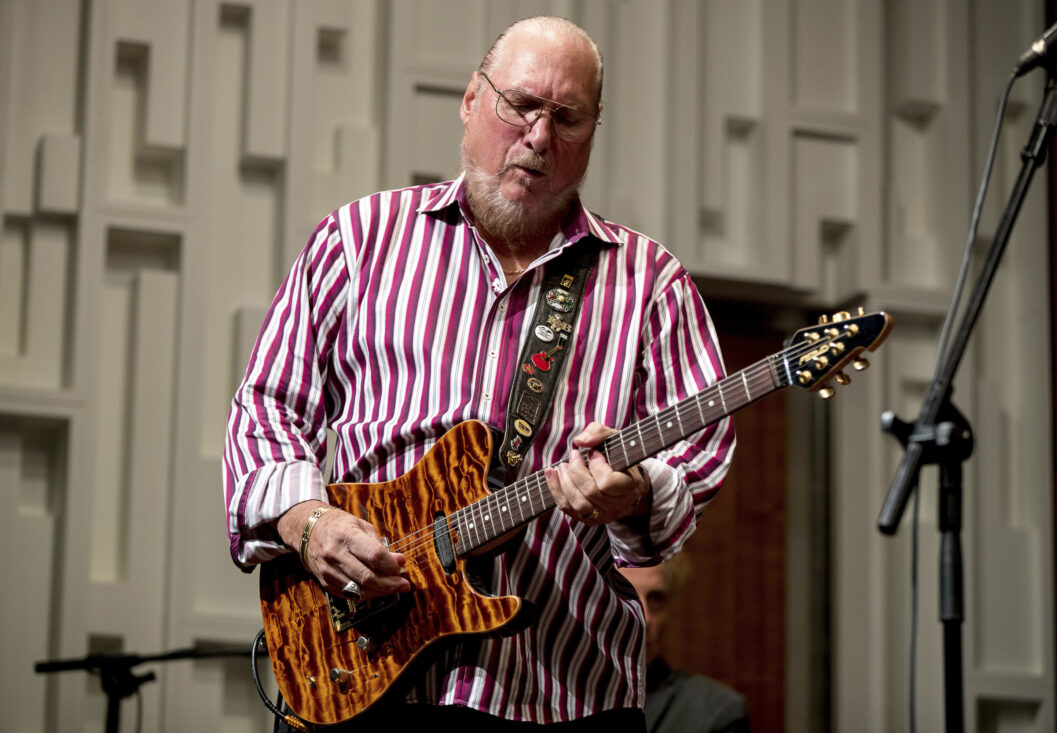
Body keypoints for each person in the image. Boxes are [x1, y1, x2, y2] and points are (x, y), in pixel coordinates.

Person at [223, 15, 735, 731]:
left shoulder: (650, 283)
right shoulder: (362, 238)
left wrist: (638, 490)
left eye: (568, 117)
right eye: (520, 105)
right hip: (358, 674)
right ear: (471, 100)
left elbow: (701, 449)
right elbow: (267, 408)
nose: (538, 136)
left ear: (592, 131)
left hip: (560, 691)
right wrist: (309, 523)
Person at [619, 558, 750, 733]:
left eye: (656, 598)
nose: (644, 618)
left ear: (671, 609)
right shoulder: (571, 703)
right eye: (622, 594)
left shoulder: (714, 711)